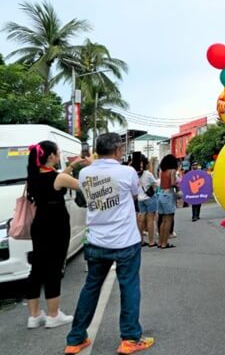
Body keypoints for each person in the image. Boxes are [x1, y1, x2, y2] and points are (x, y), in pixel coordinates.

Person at [65, 133, 154, 354]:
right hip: (125, 241)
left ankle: (75, 339)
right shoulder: (127, 172)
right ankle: (130, 338)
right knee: (129, 287)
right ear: (117, 151)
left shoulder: (85, 172)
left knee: (90, 288)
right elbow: (135, 194)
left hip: (96, 241)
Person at [25, 142, 88, 330]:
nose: (59, 155)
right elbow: (84, 186)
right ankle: (53, 315)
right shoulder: (58, 178)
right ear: (51, 156)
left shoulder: (33, 177)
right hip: (56, 227)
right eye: (58, 153)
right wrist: (88, 165)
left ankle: (34, 316)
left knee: (37, 269)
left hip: (39, 225)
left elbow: (57, 177)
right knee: (53, 269)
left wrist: (71, 166)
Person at [136, 156, 158, 247]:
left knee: (141, 220)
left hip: (140, 199)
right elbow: (155, 184)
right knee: (150, 220)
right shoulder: (148, 174)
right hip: (150, 198)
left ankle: (141, 240)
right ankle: (151, 241)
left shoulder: (133, 175)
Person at [157, 154, 178, 249]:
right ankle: (165, 243)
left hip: (161, 195)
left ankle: (160, 242)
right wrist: (178, 188)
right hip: (168, 195)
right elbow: (173, 183)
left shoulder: (162, 172)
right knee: (168, 220)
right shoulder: (172, 171)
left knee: (162, 221)